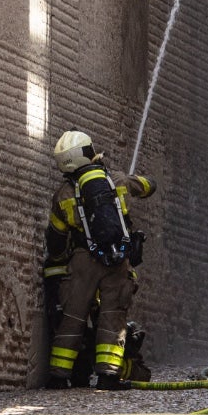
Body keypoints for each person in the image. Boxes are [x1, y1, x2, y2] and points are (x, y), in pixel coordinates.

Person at [43, 130, 155, 389]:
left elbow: (57, 239)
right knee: (113, 316)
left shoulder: (62, 194)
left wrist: (58, 264)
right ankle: (108, 375)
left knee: (73, 316)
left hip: (83, 260)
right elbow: (149, 186)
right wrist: (139, 181)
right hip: (118, 260)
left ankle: (58, 376)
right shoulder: (115, 180)